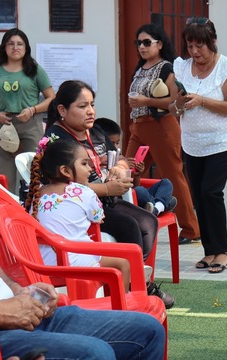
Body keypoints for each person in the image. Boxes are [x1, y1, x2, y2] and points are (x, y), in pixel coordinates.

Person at [0, 173, 165, 360]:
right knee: (94, 353)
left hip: (18, 315)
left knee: (148, 331)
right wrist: (0, 312)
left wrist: (19, 291)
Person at [42, 80, 174, 308]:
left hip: (104, 198)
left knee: (148, 220)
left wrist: (118, 169)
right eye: (82, 106)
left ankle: (138, 279)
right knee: (131, 225)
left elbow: (121, 157)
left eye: (92, 104)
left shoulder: (95, 131)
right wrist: (105, 188)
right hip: (84, 204)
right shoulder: (55, 139)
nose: (90, 111)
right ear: (62, 110)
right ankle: (139, 285)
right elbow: (59, 186)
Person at [171, 17, 227, 271]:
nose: (195, 52)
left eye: (200, 46)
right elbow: (174, 107)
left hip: (224, 140)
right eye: (190, 46)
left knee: (211, 192)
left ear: (212, 42)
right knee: (199, 196)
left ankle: (222, 251)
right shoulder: (181, 68)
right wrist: (180, 103)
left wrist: (202, 100)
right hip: (192, 141)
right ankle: (209, 251)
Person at [23, 138, 133, 291]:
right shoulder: (83, 192)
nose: (89, 169)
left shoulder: (36, 194)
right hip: (71, 260)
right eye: (84, 163)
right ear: (65, 171)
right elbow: (98, 217)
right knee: (122, 263)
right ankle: (120, 308)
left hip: (40, 261)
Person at [126, 23, 200, 244]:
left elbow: (175, 101)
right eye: (138, 42)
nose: (142, 46)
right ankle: (132, 221)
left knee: (174, 176)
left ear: (160, 44)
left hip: (161, 126)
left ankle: (190, 230)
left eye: (147, 42)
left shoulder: (166, 67)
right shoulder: (140, 68)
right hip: (138, 127)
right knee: (127, 172)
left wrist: (145, 101)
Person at [0, 28, 55, 194]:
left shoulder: (35, 70)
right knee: (3, 172)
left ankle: (34, 208)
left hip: (29, 123)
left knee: (33, 169)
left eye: (20, 44)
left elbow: (51, 99)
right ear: (4, 47)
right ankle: (6, 209)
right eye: (10, 44)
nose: (15, 47)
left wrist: (33, 109)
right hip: (2, 124)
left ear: (26, 48)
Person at [94, 117, 177, 216]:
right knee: (141, 191)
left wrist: (137, 174)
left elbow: (133, 186)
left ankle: (155, 209)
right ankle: (161, 205)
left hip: (136, 197)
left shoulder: (121, 159)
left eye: (117, 142)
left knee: (166, 183)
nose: (115, 147)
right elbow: (127, 191)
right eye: (111, 143)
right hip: (123, 202)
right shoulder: (99, 162)